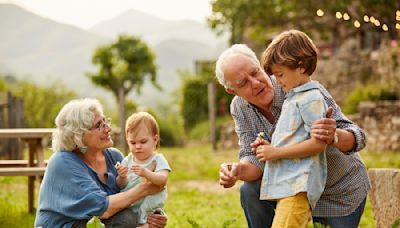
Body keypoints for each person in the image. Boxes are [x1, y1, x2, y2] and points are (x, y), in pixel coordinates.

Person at [215, 42, 370, 228]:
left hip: (337, 190)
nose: (255, 83)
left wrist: (333, 134)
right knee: (249, 190)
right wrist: (238, 171)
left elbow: (358, 137)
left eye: (255, 72)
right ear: (233, 91)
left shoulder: (301, 86)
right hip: (291, 190)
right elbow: (254, 159)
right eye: (243, 83)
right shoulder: (240, 107)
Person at [34, 98, 167, 228]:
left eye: (105, 121)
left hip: (96, 222)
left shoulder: (114, 156)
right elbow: (103, 209)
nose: (108, 128)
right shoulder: (62, 162)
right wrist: (145, 189)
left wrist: (153, 215)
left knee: (128, 217)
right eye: (99, 125)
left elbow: (128, 197)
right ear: (78, 135)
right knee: (126, 219)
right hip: (67, 224)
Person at [252, 29, 328, 228]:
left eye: (280, 74)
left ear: (301, 67)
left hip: (298, 188)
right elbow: (295, 138)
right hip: (288, 187)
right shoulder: (294, 97)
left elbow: (318, 144)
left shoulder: (311, 98)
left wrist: (276, 152)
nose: (277, 81)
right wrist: (269, 147)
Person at [116, 111, 171, 228]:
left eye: (143, 141)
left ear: (155, 140)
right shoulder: (127, 160)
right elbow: (121, 186)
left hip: (150, 208)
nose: (137, 146)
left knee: (151, 223)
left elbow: (163, 180)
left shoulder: (157, 159)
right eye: (133, 142)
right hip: (130, 206)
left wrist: (146, 173)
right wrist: (122, 176)